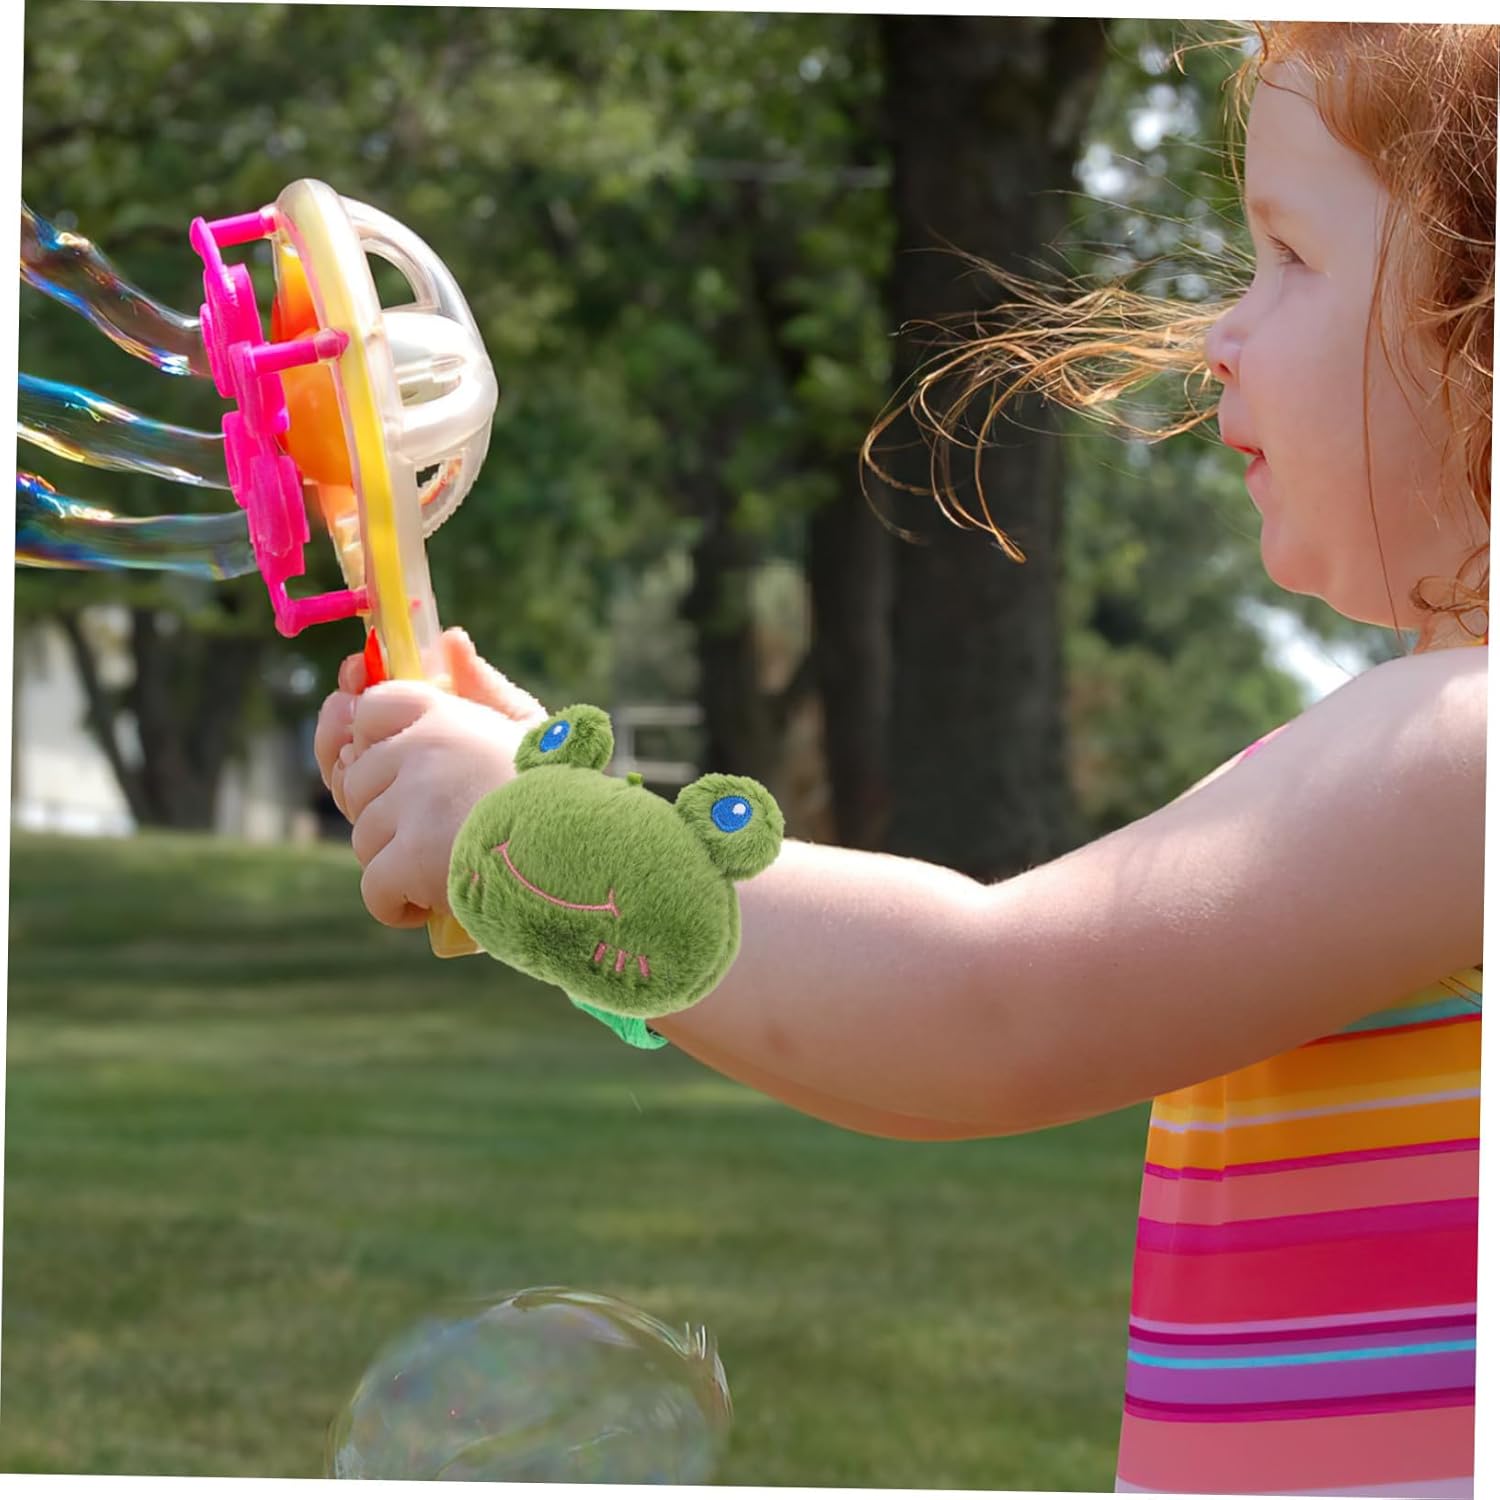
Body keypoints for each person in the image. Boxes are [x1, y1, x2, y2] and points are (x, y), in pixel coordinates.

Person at [314, 22, 1490, 1497]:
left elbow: (990, 1007)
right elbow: (940, 1049)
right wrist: (555, 824)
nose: (1216, 335)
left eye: (1291, 258)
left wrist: (533, 838)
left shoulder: (1462, 750)